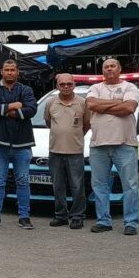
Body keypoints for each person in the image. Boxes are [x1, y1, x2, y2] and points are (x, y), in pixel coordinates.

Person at [86, 59, 139, 235]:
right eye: (106, 67)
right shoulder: (95, 88)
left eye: (112, 66)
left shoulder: (130, 87)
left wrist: (103, 107)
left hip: (124, 143)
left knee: (130, 185)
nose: (109, 69)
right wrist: (118, 103)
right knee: (99, 185)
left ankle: (131, 223)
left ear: (119, 69)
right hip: (98, 144)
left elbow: (129, 108)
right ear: (102, 70)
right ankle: (103, 221)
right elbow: (91, 105)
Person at [0, 59, 37, 229]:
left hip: (22, 144)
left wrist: (4, 111)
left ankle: (24, 216)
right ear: (1, 72)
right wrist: (13, 106)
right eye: (7, 70)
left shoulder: (26, 89)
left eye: (13, 70)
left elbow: (32, 109)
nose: (10, 73)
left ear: (17, 72)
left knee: (23, 181)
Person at [43, 73, 91, 229]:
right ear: (57, 86)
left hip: (75, 151)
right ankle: (61, 215)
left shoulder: (83, 103)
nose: (65, 87)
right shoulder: (50, 103)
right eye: (62, 84)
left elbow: (87, 124)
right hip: (55, 151)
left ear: (74, 85)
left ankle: (77, 216)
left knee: (77, 186)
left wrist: (74, 137)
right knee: (58, 186)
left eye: (68, 84)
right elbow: (48, 121)